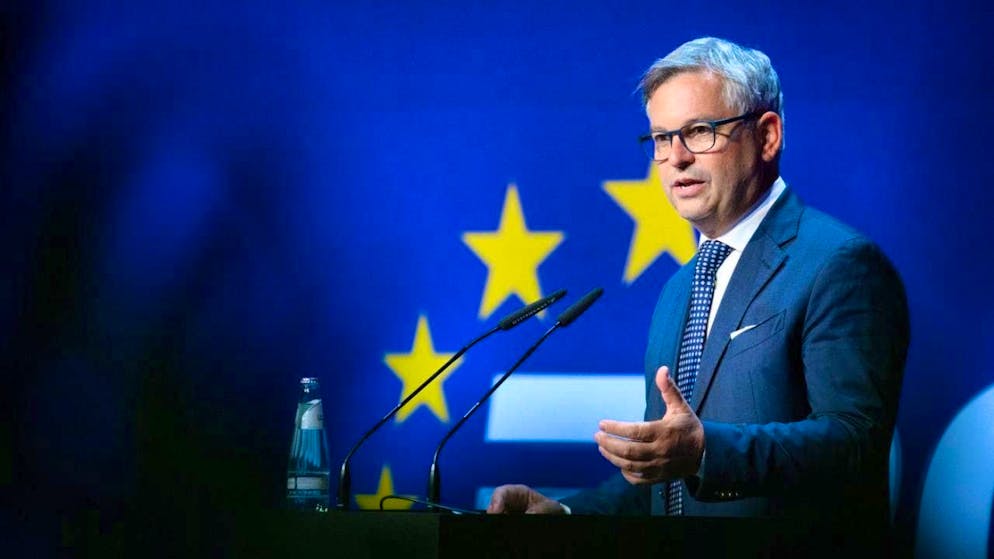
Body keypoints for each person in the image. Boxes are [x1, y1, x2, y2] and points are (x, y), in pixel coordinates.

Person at [487, 36, 910, 539]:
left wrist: (706, 450)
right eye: (661, 138)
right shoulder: (680, 288)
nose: (676, 157)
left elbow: (855, 442)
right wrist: (565, 514)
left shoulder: (838, 264)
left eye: (699, 132)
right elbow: (666, 478)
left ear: (767, 136)